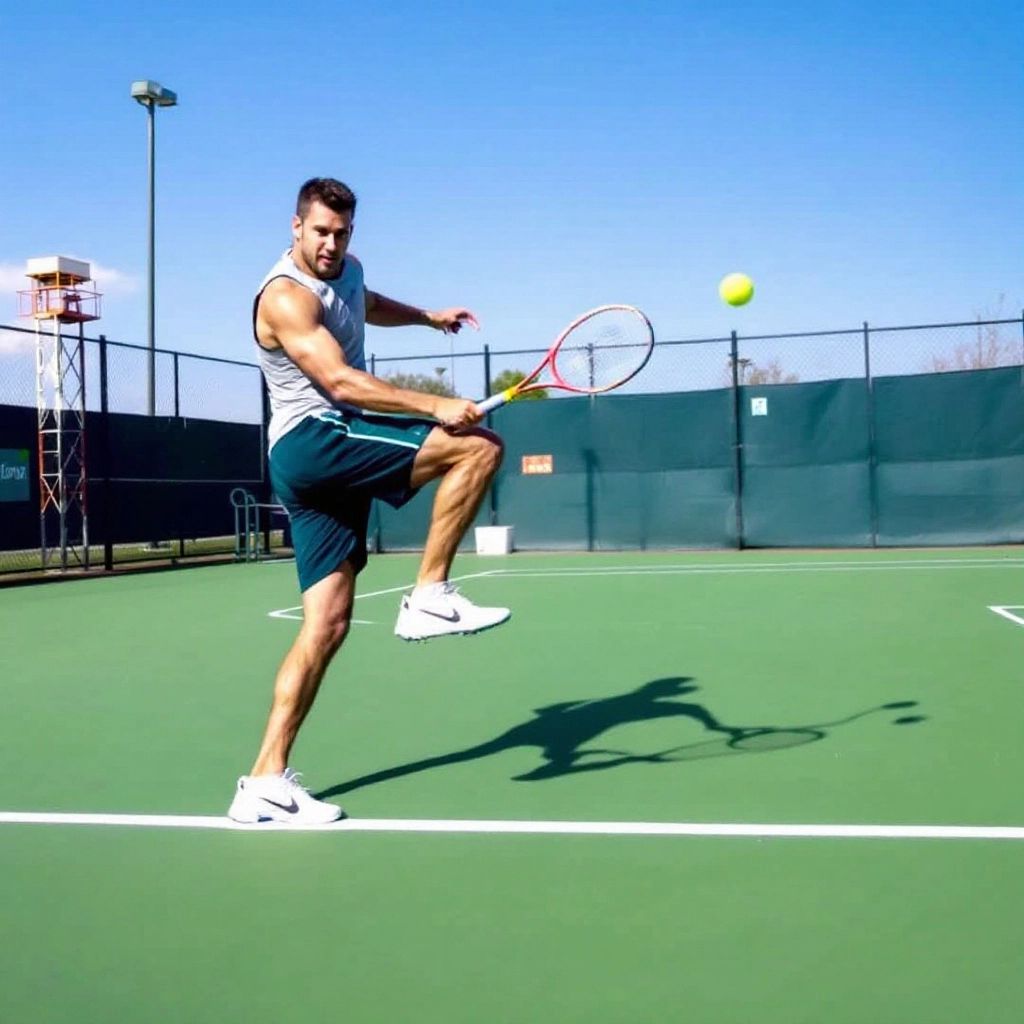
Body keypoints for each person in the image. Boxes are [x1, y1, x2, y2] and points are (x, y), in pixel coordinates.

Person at [227, 177, 509, 825]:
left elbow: (366, 299)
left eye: (341, 232)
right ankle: (430, 597)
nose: (330, 244)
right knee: (478, 448)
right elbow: (338, 379)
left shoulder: (347, 270)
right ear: (295, 227)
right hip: (315, 438)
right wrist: (435, 403)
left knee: (325, 625)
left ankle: (263, 781)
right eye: (319, 231)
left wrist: (426, 316)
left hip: (319, 457)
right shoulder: (284, 298)